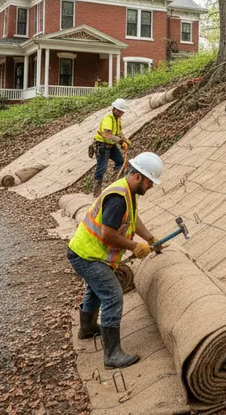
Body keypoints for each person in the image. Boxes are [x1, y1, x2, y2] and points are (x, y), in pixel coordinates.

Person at [67, 152, 163, 369]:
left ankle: (87, 328)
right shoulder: (119, 198)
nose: (151, 187)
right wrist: (134, 246)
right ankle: (112, 355)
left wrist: (150, 239)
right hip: (87, 256)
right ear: (138, 177)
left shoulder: (128, 193)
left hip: (90, 254)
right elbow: (108, 235)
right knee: (113, 295)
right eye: (150, 182)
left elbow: (133, 219)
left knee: (96, 289)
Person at [92, 99, 130, 196]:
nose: (121, 113)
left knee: (120, 162)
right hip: (102, 145)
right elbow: (107, 134)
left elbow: (118, 132)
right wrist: (120, 141)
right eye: (119, 111)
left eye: (122, 112)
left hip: (111, 145)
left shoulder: (117, 119)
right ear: (114, 109)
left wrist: (125, 140)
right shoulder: (108, 119)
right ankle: (96, 193)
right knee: (102, 168)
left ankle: (115, 185)